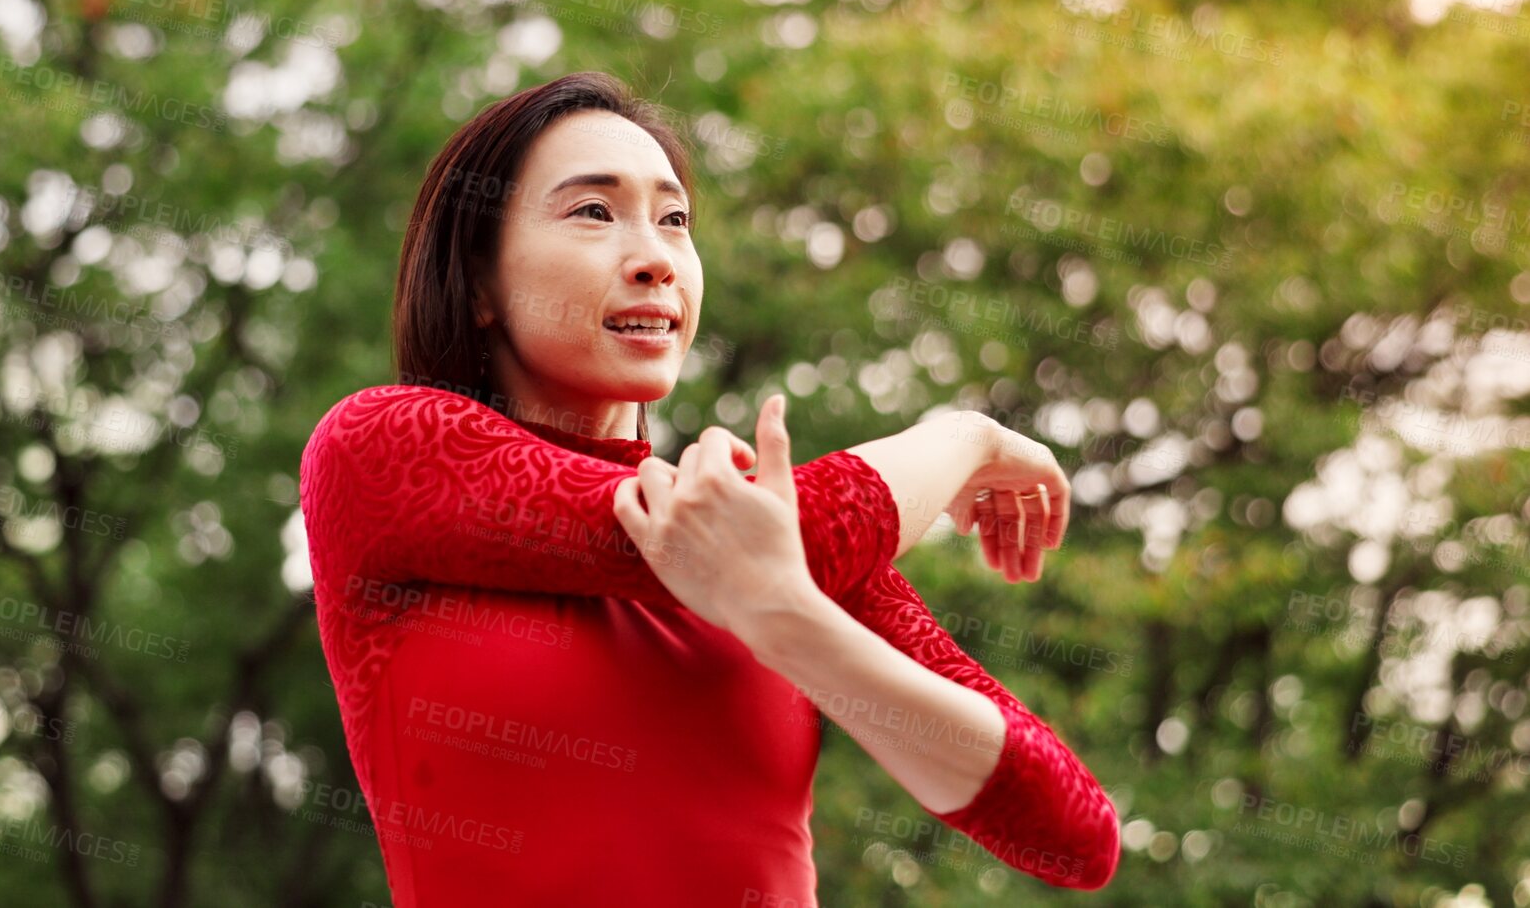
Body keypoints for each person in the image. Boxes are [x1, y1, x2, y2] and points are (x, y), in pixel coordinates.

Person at [299, 71, 1120, 905]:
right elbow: (807, 530)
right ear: (477, 282)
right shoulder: (382, 445)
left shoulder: (751, 523)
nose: (655, 258)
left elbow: (1071, 833)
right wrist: (962, 438)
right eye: (593, 212)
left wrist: (791, 624)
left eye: (674, 220)